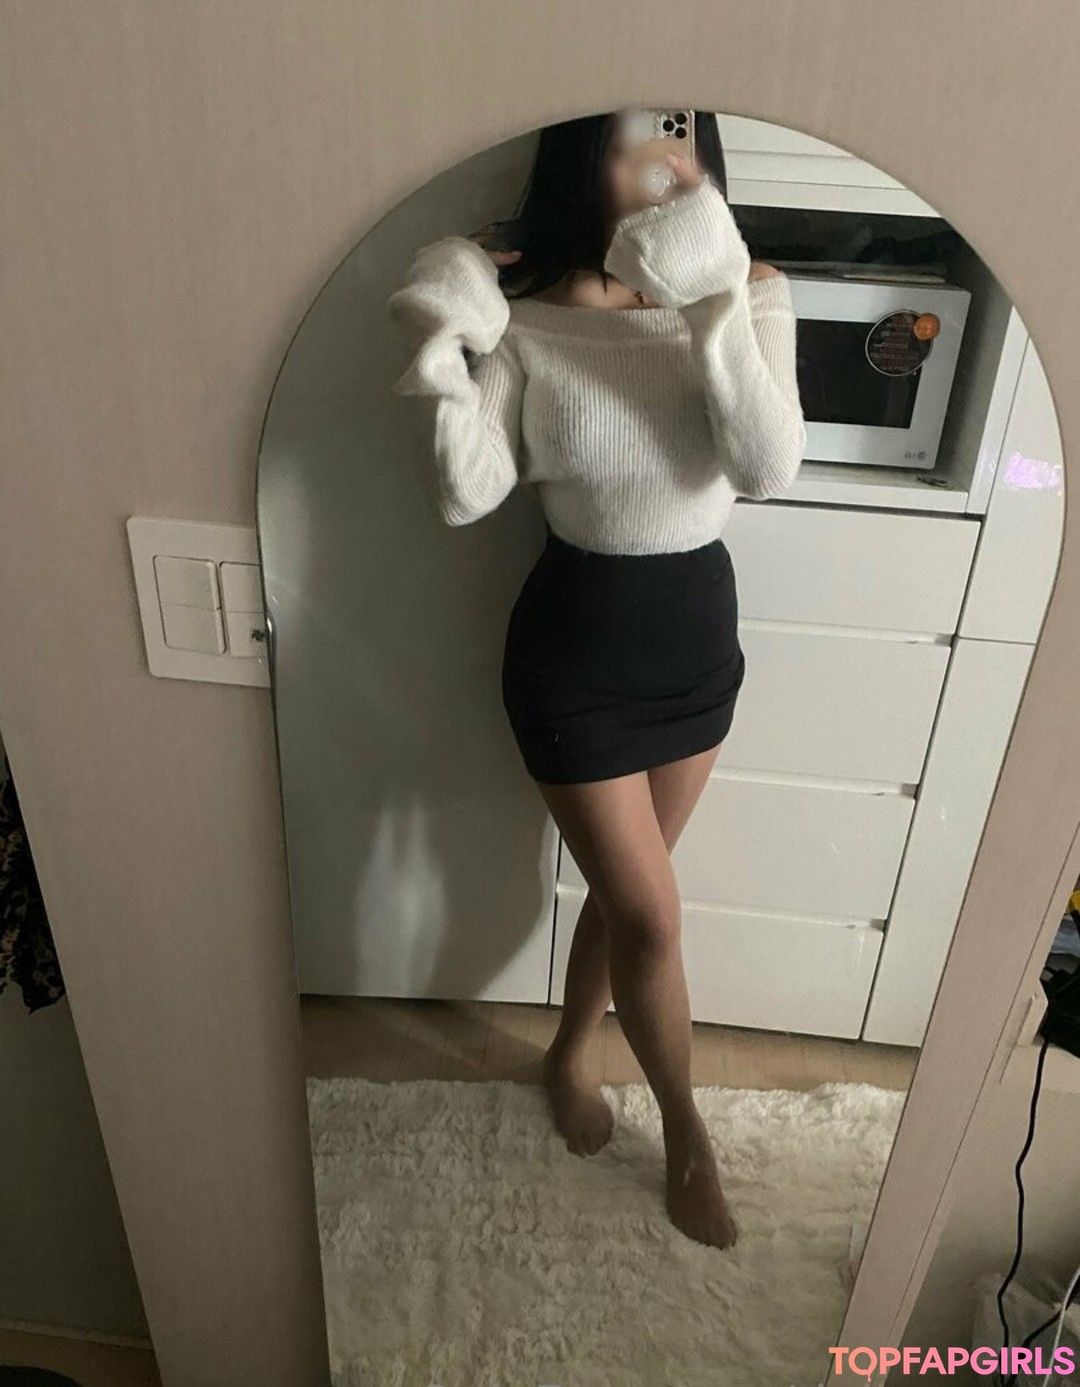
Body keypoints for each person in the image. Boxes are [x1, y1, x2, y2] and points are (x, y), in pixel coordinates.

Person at [387, 111, 807, 1249]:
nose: (661, 161)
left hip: (696, 645)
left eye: (680, 134)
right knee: (654, 918)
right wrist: (445, 344)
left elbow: (767, 465)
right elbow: (465, 492)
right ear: (586, 156)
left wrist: (709, 296)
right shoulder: (529, 315)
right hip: (575, 655)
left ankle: (573, 1048)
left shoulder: (755, 291)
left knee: (636, 904)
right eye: (632, 140)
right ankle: (687, 1132)